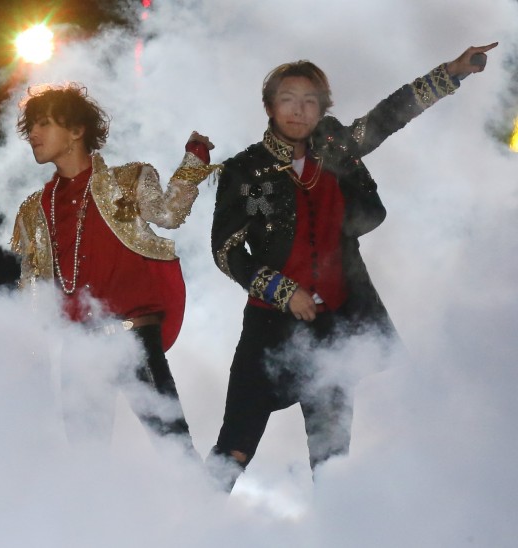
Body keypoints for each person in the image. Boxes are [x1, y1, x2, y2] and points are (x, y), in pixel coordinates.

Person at [208, 43, 498, 489]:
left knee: (332, 457)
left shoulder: (335, 146)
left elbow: (388, 116)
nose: (298, 110)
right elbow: (226, 251)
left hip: (333, 325)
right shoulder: (245, 170)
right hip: (268, 330)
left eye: (310, 101)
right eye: (288, 98)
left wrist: (452, 72)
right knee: (235, 447)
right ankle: (190, 528)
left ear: (323, 107)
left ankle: (335, 532)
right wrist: (283, 291)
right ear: (269, 105)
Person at [11, 83, 218, 453]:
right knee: (86, 463)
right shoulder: (33, 209)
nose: (34, 135)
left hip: (134, 336)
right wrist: (29, 354)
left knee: (175, 452)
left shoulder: (128, 180)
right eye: (31, 128)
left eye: (43, 124)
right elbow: (32, 290)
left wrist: (195, 159)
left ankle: (203, 509)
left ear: (77, 130)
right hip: (79, 350)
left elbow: (169, 214)